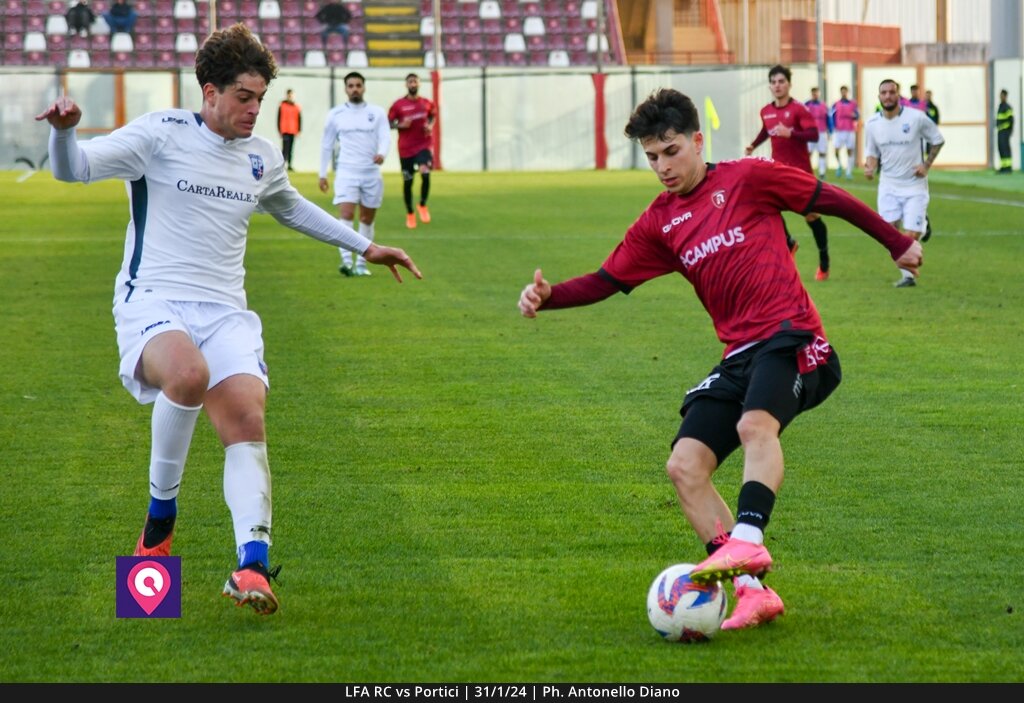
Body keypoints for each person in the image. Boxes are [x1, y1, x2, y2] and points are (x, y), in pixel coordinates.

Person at [35, 23, 421, 616]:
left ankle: (253, 566)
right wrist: (63, 134)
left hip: (225, 310)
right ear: (209, 92)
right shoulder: (160, 134)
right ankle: (158, 529)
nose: (254, 110)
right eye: (244, 96)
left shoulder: (262, 159)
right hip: (153, 300)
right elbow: (74, 168)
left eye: (261, 98)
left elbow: (293, 209)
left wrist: (365, 247)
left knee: (247, 418)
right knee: (187, 376)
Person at [518, 88, 922, 631]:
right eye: (652, 157)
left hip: (794, 338)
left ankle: (748, 543)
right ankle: (754, 591)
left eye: (671, 151)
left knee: (757, 425)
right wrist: (551, 296)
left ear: (697, 141)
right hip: (739, 355)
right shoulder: (659, 223)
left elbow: (831, 200)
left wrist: (895, 242)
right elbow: (606, 280)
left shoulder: (748, 178)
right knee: (684, 467)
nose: (662, 166)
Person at [746, 65, 831, 282]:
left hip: (800, 174)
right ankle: (789, 242)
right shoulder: (766, 110)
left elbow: (813, 135)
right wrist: (753, 146)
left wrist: (790, 133)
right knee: (765, 207)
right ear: (770, 85)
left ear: (789, 84)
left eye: (781, 81)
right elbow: (766, 130)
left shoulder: (799, 110)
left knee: (812, 217)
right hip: (777, 173)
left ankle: (824, 260)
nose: (777, 85)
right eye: (773, 82)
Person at [863, 78, 944, 288]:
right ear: (879, 96)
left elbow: (937, 139)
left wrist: (926, 165)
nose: (888, 96)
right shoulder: (872, 124)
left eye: (892, 92)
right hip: (888, 185)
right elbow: (871, 153)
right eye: (884, 93)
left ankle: (908, 275)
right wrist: (870, 167)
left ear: (898, 96)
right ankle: (908, 273)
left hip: (914, 185)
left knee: (910, 234)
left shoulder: (916, 118)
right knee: (889, 234)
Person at [319, 71, 391, 277]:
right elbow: (326, 145)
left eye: (358, 85)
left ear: (364, 87)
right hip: (346, 172)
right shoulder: (335, 114)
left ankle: (361, 263)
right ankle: (345, 261)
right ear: (345, 89)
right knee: (347, 215)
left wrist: (382, 153)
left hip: (371, 174)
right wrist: (322, 173)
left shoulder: (376, 113)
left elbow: (385, 136)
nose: (355, 89)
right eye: (351, 86)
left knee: (367, 219)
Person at [388, 73, 437, 230]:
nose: (413, 84)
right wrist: (400, 125)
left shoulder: (426, 103)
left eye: (415, 81)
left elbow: (432, 116)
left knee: (425, 172)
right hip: (406, 148)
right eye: (410, 82)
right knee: (408, 181)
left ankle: (422, 205)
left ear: (419, 84)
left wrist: (430, 125)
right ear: (406, 85)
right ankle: (410, 213)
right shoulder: (398, 105)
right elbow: (388, 123)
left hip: (423, 145)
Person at [830, 85, 859, 180]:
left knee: (850, 151)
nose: (844, 93)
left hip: (849, 130)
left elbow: (858, 115)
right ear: (840, 92)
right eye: (842, 91)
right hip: (839, 130)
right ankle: (839, 165)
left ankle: (848, 172)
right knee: (836, 150)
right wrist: (833, 127)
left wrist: (854, 116)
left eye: (845, 91)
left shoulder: (853, 104)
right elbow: (831, 115)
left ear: (847, 92)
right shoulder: (836, 104)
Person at [804, 87, 831, 179]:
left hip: (821, 132)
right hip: (810, 132)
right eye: (813, 93)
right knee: (808, 152)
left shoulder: (824, 105)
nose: (815, 95)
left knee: (822, 152)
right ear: (811, 94)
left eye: (816, 93)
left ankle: (822, 172)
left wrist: (829, 132)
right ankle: (807, 171)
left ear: (819, 94)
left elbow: (828, 119)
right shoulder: (806, 105)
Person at [277, 88, 301, 171]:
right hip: (285, 130)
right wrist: (279, 129)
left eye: (291, 95)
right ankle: (283, 165)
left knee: (291, 149)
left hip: (293, 130)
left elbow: (299, 119)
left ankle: (290, 165)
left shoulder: (296, 107)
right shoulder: (282, 105)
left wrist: (299, 130)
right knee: (285, 149)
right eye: (289, 95)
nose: (290, 96)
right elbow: (279, 118)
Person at [996, 89, 1014, 174]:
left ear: (1005, 96)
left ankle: (1008, 168)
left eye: (1002, 95)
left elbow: (1011, 120)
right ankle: (1003, 167)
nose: (1000, 96)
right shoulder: (1000, 106)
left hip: (1005, 131)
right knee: (1001, 148)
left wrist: (1009, 131)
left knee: (1006, 149)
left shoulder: (1007, 107)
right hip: (1000, 131)